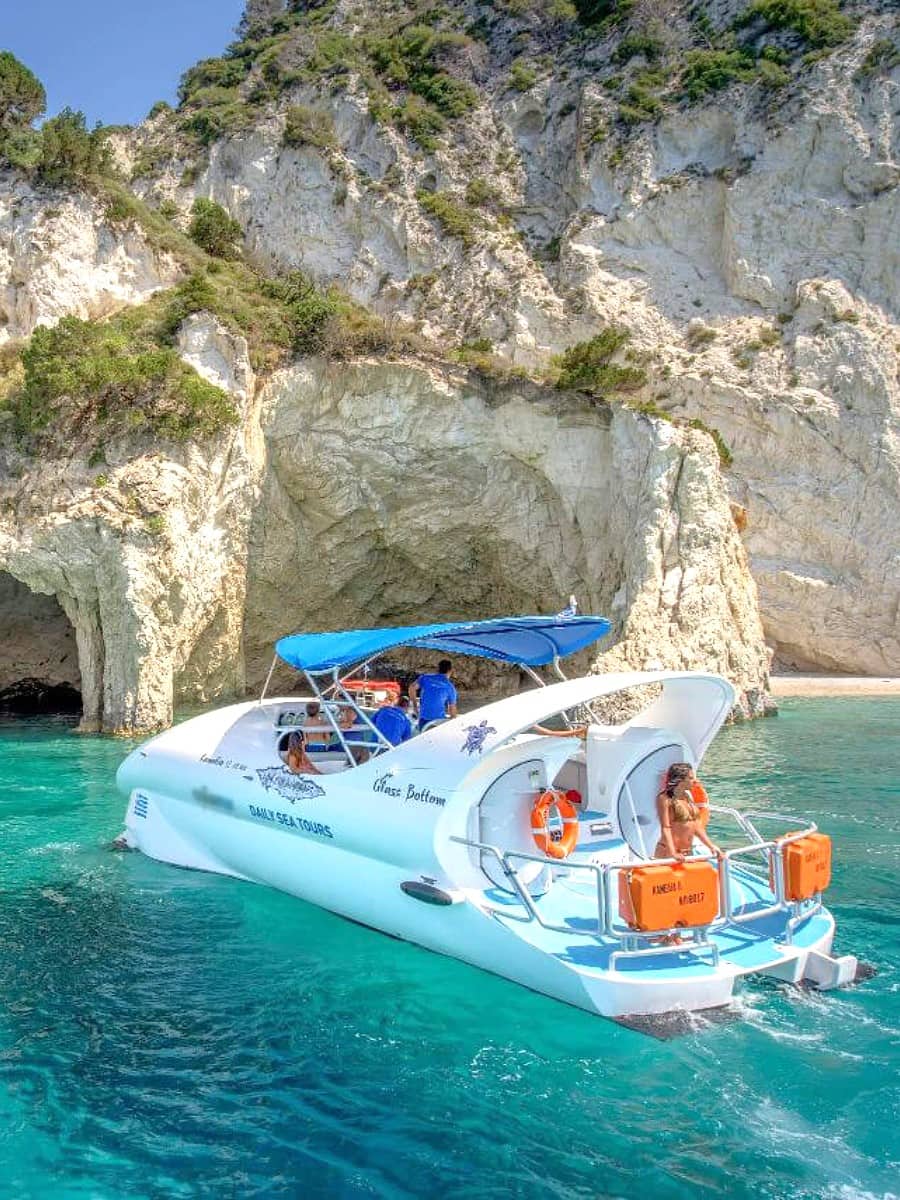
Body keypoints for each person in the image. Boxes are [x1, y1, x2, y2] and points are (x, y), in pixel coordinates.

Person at [655, 762, 721, 861]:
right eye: (690, 778)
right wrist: (673, 853)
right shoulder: (664, 798)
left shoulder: (687, 796)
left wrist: (711, 846)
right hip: (668, 853)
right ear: (680, 780)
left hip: (687, 853)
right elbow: (666, 828)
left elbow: (696, 826)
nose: (694, 781)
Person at [409, 658, 458, 731]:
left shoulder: (425, 678)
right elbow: (452, 709)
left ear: (438, 669)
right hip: (439, 721)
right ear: (450, 671)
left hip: (424, 720)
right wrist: (454, 725)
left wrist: (415, 707)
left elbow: (412, 688)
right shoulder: (450, 687)